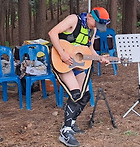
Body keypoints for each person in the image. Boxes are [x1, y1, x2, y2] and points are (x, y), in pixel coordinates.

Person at [48, 7, 110, 147]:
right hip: (61, 60)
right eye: (96, 23)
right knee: (76, 93)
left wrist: (99, 58)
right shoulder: (73, 20)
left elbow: (90, 50)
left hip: (77, 64)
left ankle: (71, 122)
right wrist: (62, 53)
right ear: (89, 16)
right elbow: (52, 33)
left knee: (85, 94)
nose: (96, 27)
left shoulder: (92, 30)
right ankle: (65, 131)